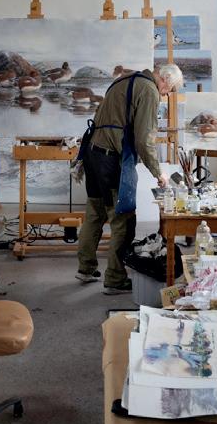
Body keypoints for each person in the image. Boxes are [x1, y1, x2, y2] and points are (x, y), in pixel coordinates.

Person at [76, 63, 183, 294]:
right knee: (123, 220)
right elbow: (144, 139)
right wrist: (158, 172)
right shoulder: (149, 90)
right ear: (164, 79)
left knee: (95, 213)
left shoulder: (125, 80)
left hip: (93, 155)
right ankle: (114, 279)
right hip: (111, 160)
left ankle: (85, 269)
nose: (168, 94)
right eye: (171, 89)